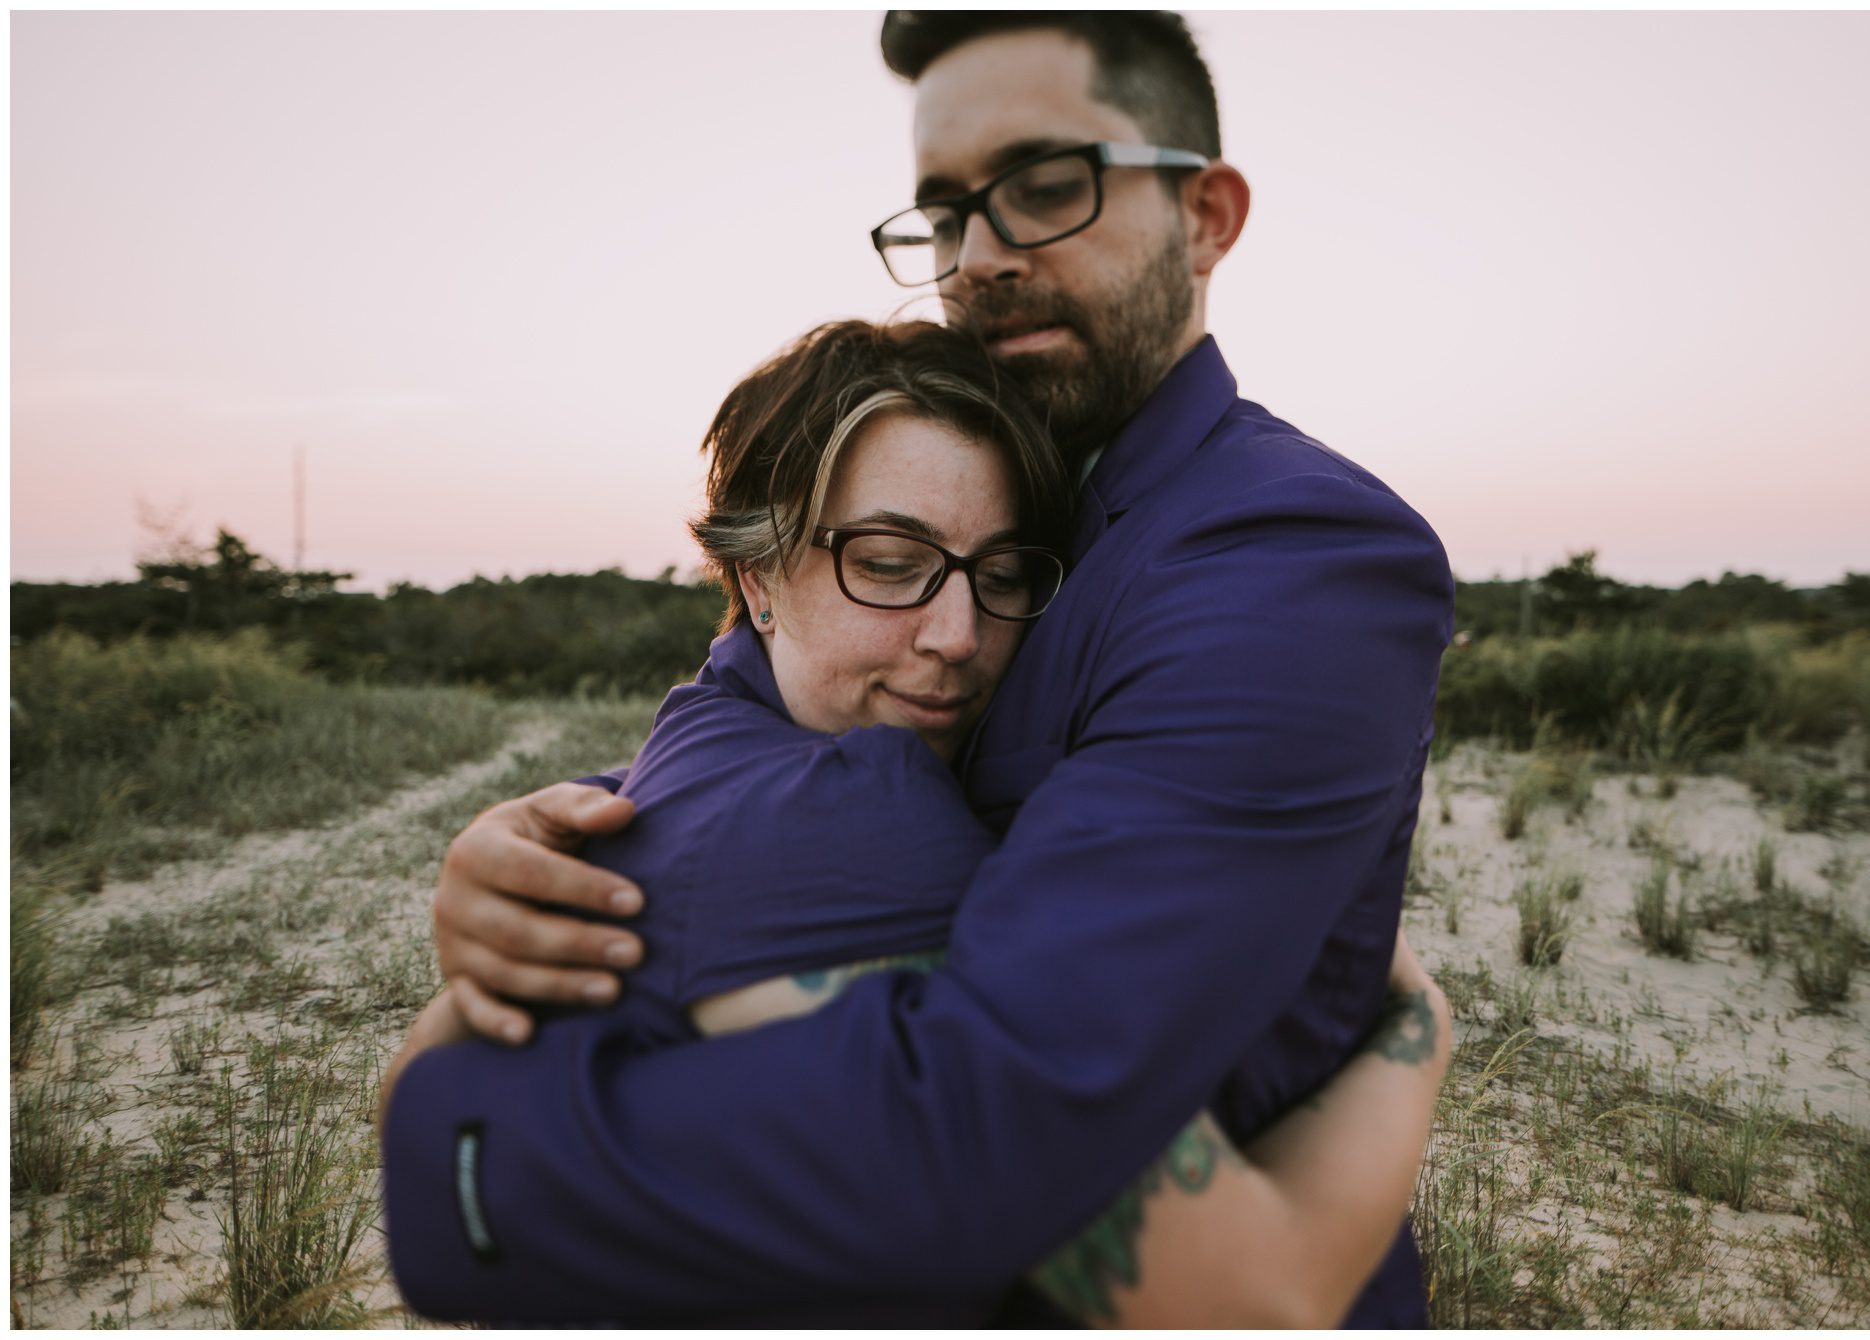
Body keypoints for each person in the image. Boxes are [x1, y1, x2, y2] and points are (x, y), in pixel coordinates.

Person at [383, 10, 1455, 1327]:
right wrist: (565, 837)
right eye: (946, 214)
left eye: (1046, 186)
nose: (984, 255)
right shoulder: (1029, 496)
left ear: (1208, 217)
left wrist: (446, 1129)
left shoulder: (1288, 551)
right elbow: (793, 714)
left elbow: (987, 1134)